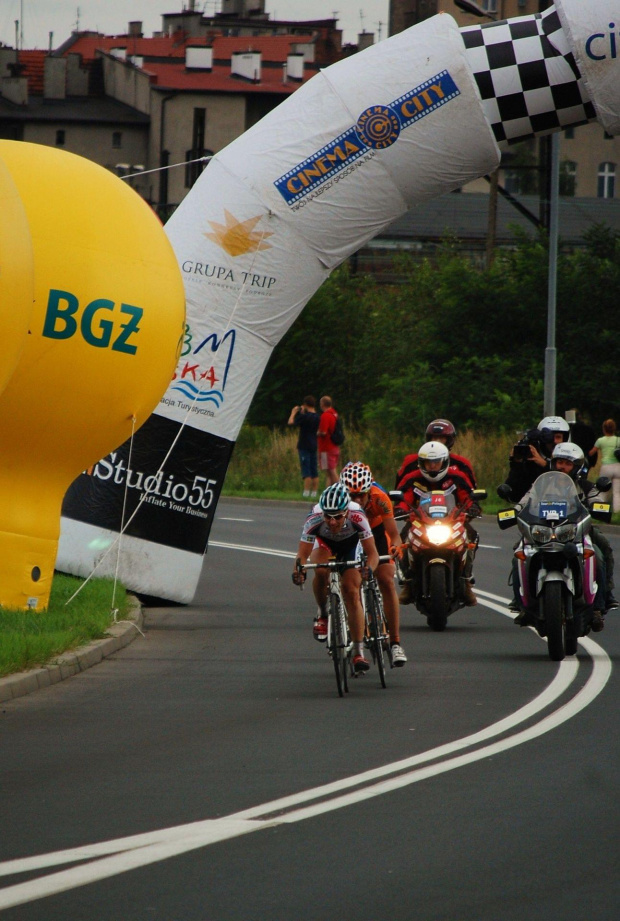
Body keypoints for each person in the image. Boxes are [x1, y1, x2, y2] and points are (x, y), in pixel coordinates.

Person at [510, 442, 612, 631]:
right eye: (559, 462)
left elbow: (597, 501)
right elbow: (526, 501)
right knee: (519, 552)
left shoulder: (586, 486)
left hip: (577, 533)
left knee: (599, 551)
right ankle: (521, 603)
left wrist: (599, 507)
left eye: (567, 463)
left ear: (577, 466)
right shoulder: (541, 485)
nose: (562, 467)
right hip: (543, 532)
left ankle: (600, 604)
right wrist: (515, 511)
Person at [291, 482, 379, 673]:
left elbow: (373, 554)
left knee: (351, 590)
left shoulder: (357, 515)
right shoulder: (314, 517)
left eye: (338, 517)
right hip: (324, 545)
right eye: (328, 517)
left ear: (346, 513)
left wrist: (368, 569)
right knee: (321, 570)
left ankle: (358, 652)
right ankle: (323, 613)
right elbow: (302, 555)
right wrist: (299, 571)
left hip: (350, 545)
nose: (332, 522)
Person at [395, 441, 481, 606]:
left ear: (444, 461)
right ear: (421, 462)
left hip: (452, 521)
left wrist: (473, 508)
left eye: (436, 462)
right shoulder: (412, 478)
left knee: (473, 536)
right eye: (429, 462)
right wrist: (400, 509)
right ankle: (408, 581)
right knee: (402, 538)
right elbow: (403, 498)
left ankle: (466, 579)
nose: (433, 466)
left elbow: (468, 497)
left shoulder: (457, 477)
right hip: (421, 522)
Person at [339, 461, 407, 667]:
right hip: (351, 534)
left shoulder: (380, 498)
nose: (357, 500)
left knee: (386, 578)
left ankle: (395, 642)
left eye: (362, 495)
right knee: (351, 581)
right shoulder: (338, 501)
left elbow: (394, 535)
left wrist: (396, 548)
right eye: (352, 496)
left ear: (370, 490)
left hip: (376, 532)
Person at [498, 415, 571, 504]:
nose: (554, 441)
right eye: (549, 437)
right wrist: (516, 463)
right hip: (534, 509)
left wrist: (544, 464)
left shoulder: (572, 457)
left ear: (565, 438)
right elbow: (516, 493)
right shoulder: (531, 458)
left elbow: (571, 481)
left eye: (558, 437)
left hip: (566, 506)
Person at [395, 418, 477, 491]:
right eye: (434, 438)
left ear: (449, 441)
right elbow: (399, 490)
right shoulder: (411, 461)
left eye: (441, 438)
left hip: (453, 506)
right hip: (419, 505)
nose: (437, 441)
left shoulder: (462, 464)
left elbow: (471, 493)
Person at [287, 395, 319, 498]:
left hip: (304, 445)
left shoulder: (304, 417)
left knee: (306, 470)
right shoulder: (318, 417)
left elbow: (291, 422)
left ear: (305, 405)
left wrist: (293, 413)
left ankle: (306, 493)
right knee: (314, 470)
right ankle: (314, 493)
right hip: (314, 444)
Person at [589, 418, 620, 513]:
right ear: (614, 429)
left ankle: (601, 511)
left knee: (602, 490)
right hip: (618, 467)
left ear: (604, 429)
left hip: (606, 467)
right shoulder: (618, 440)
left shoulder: (600, 440)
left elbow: (591, 453)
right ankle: (616, 513)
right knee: (617, 492)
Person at [317, 395, 341, 486]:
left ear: (322, 404)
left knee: (331, 470)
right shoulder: (334, 414)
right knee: (328, 472)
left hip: (326, 448)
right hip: (333, 447)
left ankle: (340, 490)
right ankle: (328, 491)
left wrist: (317, 433)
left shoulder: (325, 415)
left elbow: (323, 432)